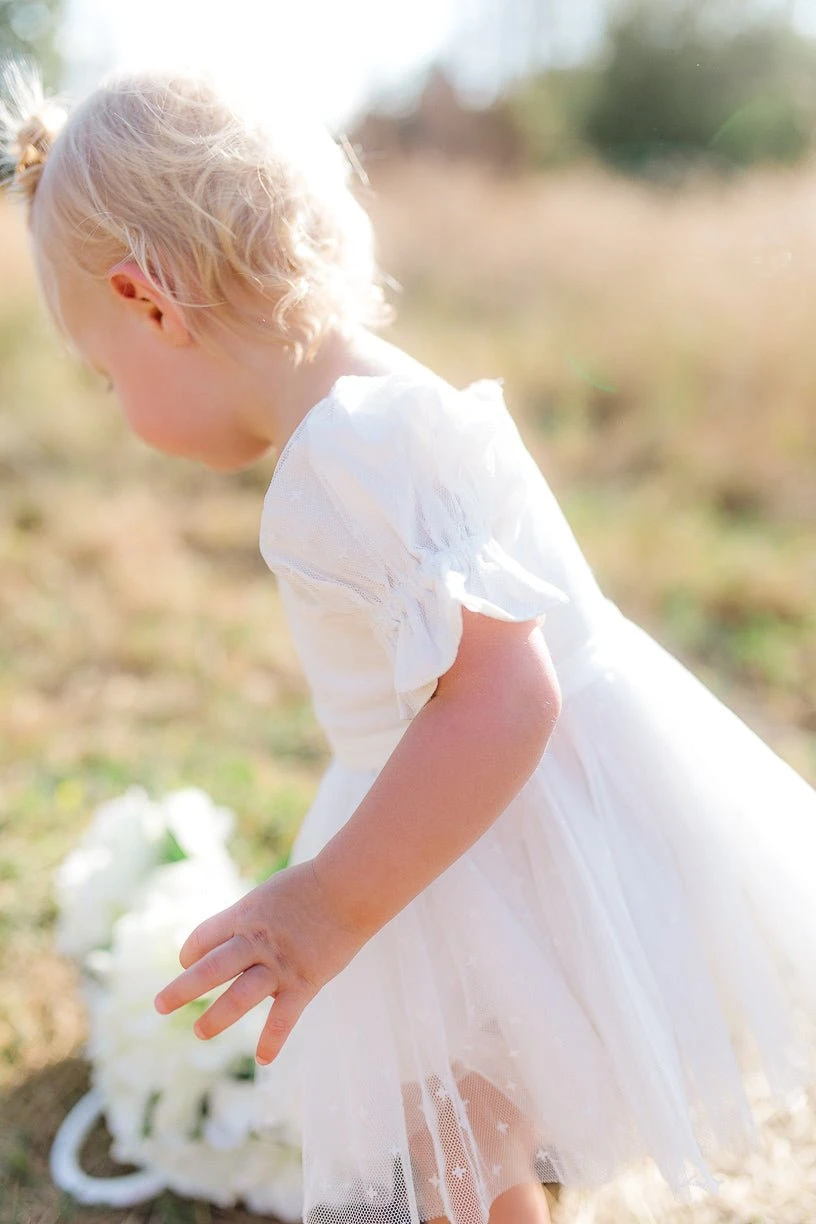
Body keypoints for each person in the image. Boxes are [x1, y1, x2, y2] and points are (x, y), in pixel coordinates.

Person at [3, 57, 816, 1224]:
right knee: (470, 1140)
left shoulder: (350, 452)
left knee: (456, 1128)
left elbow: (504, 698)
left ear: (149, 304)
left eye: (104, 376)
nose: (116, 411)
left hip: (508, 834)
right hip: (506, 820)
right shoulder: (372, 408)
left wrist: (321, 909)